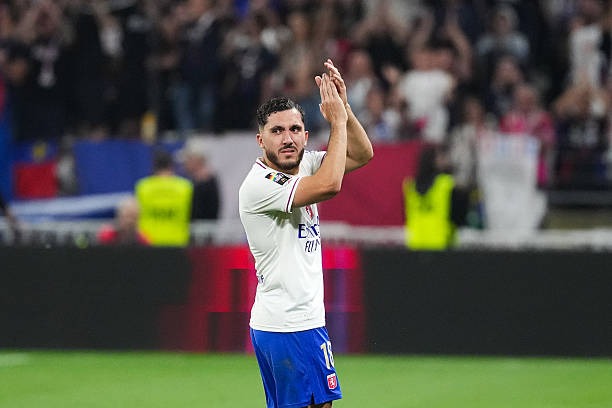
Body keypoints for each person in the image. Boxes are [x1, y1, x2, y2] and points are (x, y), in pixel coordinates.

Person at [238, 59, 373, 408]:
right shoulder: (260, 184)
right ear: (260, 140)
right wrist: (337, 123)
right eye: (277, 131)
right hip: (289, 325)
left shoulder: (307, 164)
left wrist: (344, 109)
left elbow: (363, 153)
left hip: (296, 323)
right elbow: (330, 185)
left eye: (295, 129)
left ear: (306, 135)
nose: (287, 138)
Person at [403, 144, 468, 250]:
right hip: (441, 245)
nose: (446, 160)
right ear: (433, 160)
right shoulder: (446, 184)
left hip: (415, 244)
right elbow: (459, 217)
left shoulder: (410, 186)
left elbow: (405, 214)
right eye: (441, 156)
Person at [135, 149, 193, 246]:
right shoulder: (185, 186)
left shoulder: (143, 186)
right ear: (171, 166)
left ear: (154, 167)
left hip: (149, 242)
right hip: (177, 242)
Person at [179, 138, 220, 220]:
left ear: (196, 160)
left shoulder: (207, 182)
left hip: (205, 226)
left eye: (187, 159)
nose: (184, 163)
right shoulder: (193, 181)